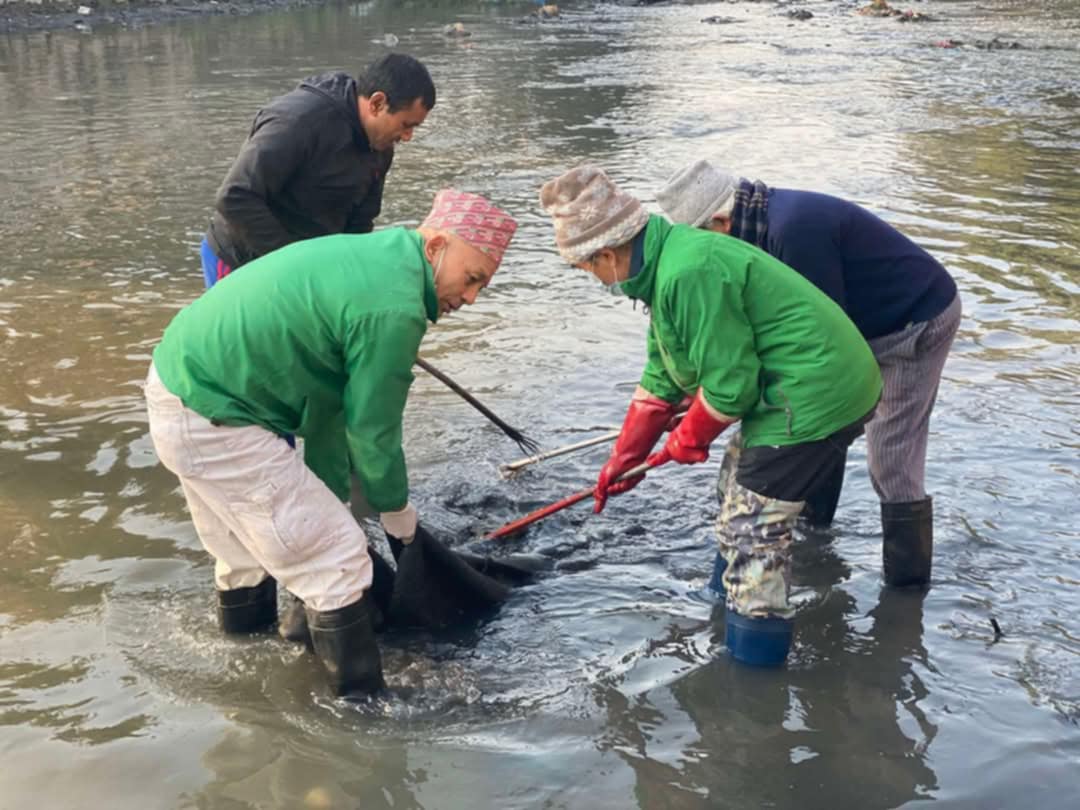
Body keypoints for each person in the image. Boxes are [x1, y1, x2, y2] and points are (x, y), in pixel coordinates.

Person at [146, 190, 517, 697]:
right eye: (471, 278)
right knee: (338, 560)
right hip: (218, 418)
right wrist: (396, 513)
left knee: (248, 557)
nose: (470, 297)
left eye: (482, 287)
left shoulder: (377, 257)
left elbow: (331, 410)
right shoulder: (395, 306)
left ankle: (245, 684)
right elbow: (373, 426)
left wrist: (337, 498)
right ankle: (360, 716)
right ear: (435, 247)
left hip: (176, 390)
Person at [539, 165, 881, 667]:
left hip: (814, 394)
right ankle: (723, 607)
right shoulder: (665, 264)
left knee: (753, 532)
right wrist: (624, 460)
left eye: (586, 270)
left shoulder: (687, 271)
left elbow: (731, 388)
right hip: (794, 386)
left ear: (606, 255)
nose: (594, 280)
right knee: (732, 493)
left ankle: (751, 682)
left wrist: (689, 438)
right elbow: (663, 376)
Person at [657, 160, 961, 589]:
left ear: (722, 222)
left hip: (914, 321)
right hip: (863, 323)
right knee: (819, 421)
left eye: (702, 241)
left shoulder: (792, 233)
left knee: (891, 457)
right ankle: (815, 537)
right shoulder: (756, 226)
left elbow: (820, 347)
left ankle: (906, 594)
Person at [200, 53, 436, 287]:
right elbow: (235, 196)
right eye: (406, 125)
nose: (408, 137)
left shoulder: (380, 147)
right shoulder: (298, 122)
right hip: (242, 260)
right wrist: (300, 263)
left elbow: (360, 223)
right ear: (377, 104)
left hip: (305, 266)